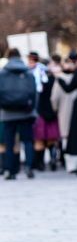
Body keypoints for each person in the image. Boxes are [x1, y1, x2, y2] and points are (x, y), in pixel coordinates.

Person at [0, 48, 38, 180]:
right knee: (27, 141)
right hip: (26, 112)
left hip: (7, 112)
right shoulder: (27, 72)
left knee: (9, 143)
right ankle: (29, 167)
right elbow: (34, 92)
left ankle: (10, 170)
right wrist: (32, 108)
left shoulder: (2, 73)